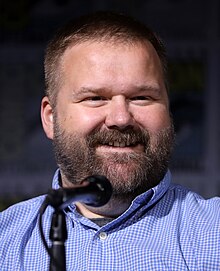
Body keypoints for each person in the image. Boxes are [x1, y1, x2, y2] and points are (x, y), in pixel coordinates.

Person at [0, 11, 219, 271]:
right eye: (95, 98)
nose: (120, 118)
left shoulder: (213, 232)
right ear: (50, 118)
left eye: (142, 97)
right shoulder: (6, 241)